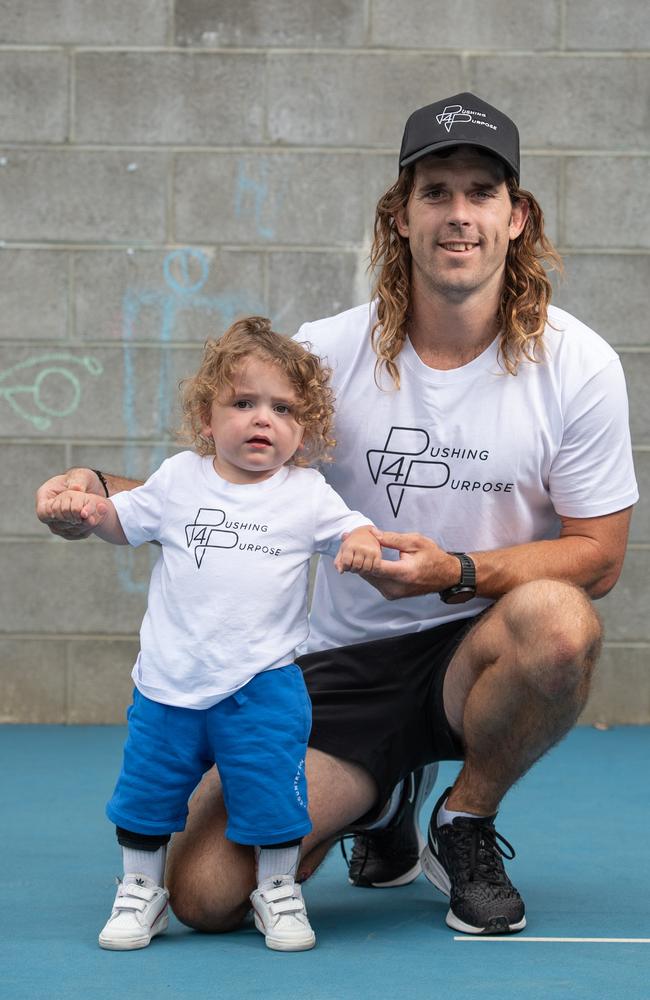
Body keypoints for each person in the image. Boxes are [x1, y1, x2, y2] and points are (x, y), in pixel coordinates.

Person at [37, 92, 638, 938]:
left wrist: (457, 573)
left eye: (480, 192)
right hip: (339, 665)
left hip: (478, 644)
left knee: (561, 623)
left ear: (516, 216)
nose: (458, 216)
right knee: (209, 896)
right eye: (435, 193)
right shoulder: (327, 353)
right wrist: (95, 489)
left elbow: (600, 555)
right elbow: (223, 481)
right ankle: (381, 793)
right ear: (400, 216)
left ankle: (463, 820)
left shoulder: (577, 365)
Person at [43, 317, 380, 952]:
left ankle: (277, 889)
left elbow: (351, 528)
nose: (263, 420)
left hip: (263, 686)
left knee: (272, 794)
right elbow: (124, 523)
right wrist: (90, 513)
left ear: (303, 429)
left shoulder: (307, 493)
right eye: (244, 403)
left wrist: (360, 542)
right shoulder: (178, 479)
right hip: (169, 685)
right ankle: (142, 889)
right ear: (207, 418)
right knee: (147, 796)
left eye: (283, 409)